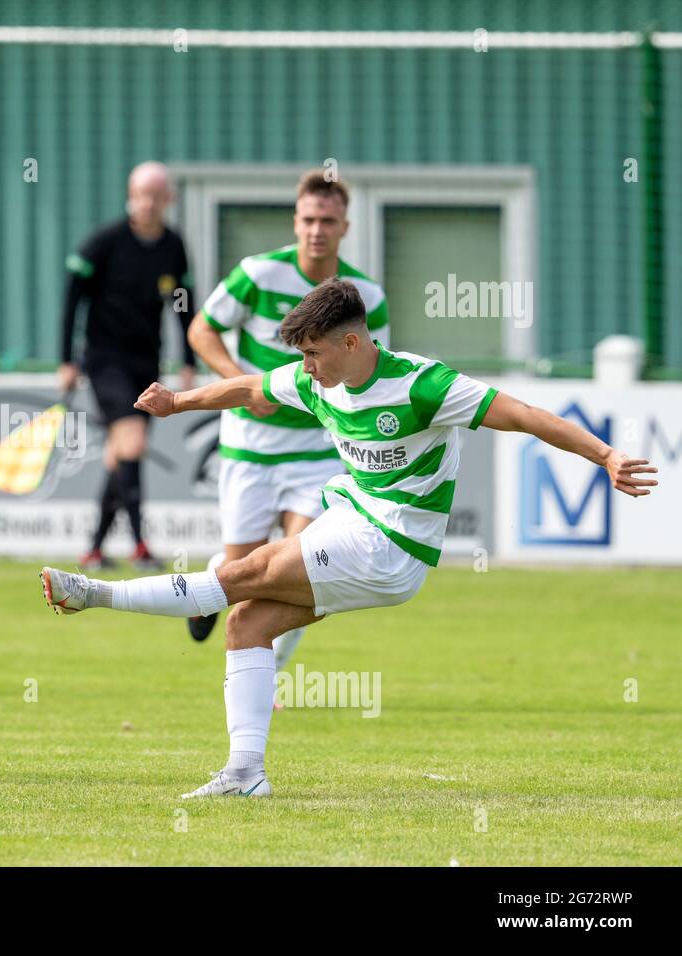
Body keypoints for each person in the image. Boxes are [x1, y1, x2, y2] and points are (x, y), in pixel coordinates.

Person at [41, 277, 656, 799]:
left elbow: (523, 416)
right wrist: (180, 401)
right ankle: (244, 773)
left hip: (391, 546)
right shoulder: (318, 381)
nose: (306, 368)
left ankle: (91, 594)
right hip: (354, 520)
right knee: (246, 624)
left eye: (313, 353)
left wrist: (604, 456)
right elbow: (253, 388)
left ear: (352, 341)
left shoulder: (423, 386)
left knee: (239, 576)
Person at [185, 170, 389, 670]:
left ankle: (266, 671)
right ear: (295, 222)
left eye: (328, 220)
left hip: (318, 454)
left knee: (302, 567)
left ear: (345, 227)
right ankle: (217, 568)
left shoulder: (366, 295)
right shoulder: (257, 274)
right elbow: (201, 330)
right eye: (308, 219)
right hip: (249, 450)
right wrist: (242, 386)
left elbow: (374, 365)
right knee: (242, 573)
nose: (317, 229)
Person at [59, 161, 197, 571]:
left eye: (156, 196)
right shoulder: (106, 242)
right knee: (133, 443)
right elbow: (72, 296)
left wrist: (189, 359)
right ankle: (140, 545)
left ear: (168, 199)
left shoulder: (173, 245)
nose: (148, 203)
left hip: (145, 360)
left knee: (120, 455)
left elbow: (184, 302)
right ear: (130, 196)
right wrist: (65, 358)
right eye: (141, 195)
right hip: (104, 359)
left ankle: (94, 549)